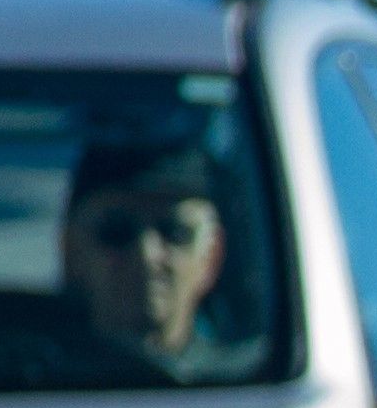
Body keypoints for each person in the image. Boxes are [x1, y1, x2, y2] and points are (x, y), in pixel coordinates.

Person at [57, 136, 257, 380]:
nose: (147, 255)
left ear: (211, 257)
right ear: (72, 252)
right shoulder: (31, 391)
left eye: (174, 232)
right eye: (117, 232)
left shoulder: (247, 390)